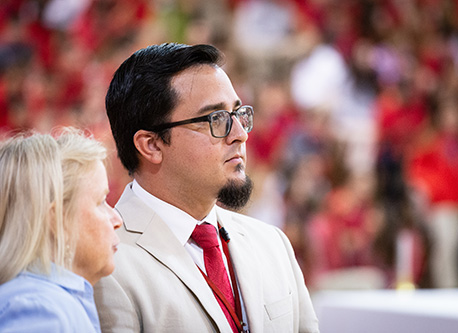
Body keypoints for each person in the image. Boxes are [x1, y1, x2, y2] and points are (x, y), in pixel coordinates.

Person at [93, 43, 319, 332]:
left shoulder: (273, 244)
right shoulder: (107, 263)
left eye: (238, 114)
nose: (240, 135)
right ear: (151, 145)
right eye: (216, 119)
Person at [0, 129, 122, 332]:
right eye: (101, 202)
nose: (117, 219)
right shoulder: (40, 311)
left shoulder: (49, 303)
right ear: (58, 218)